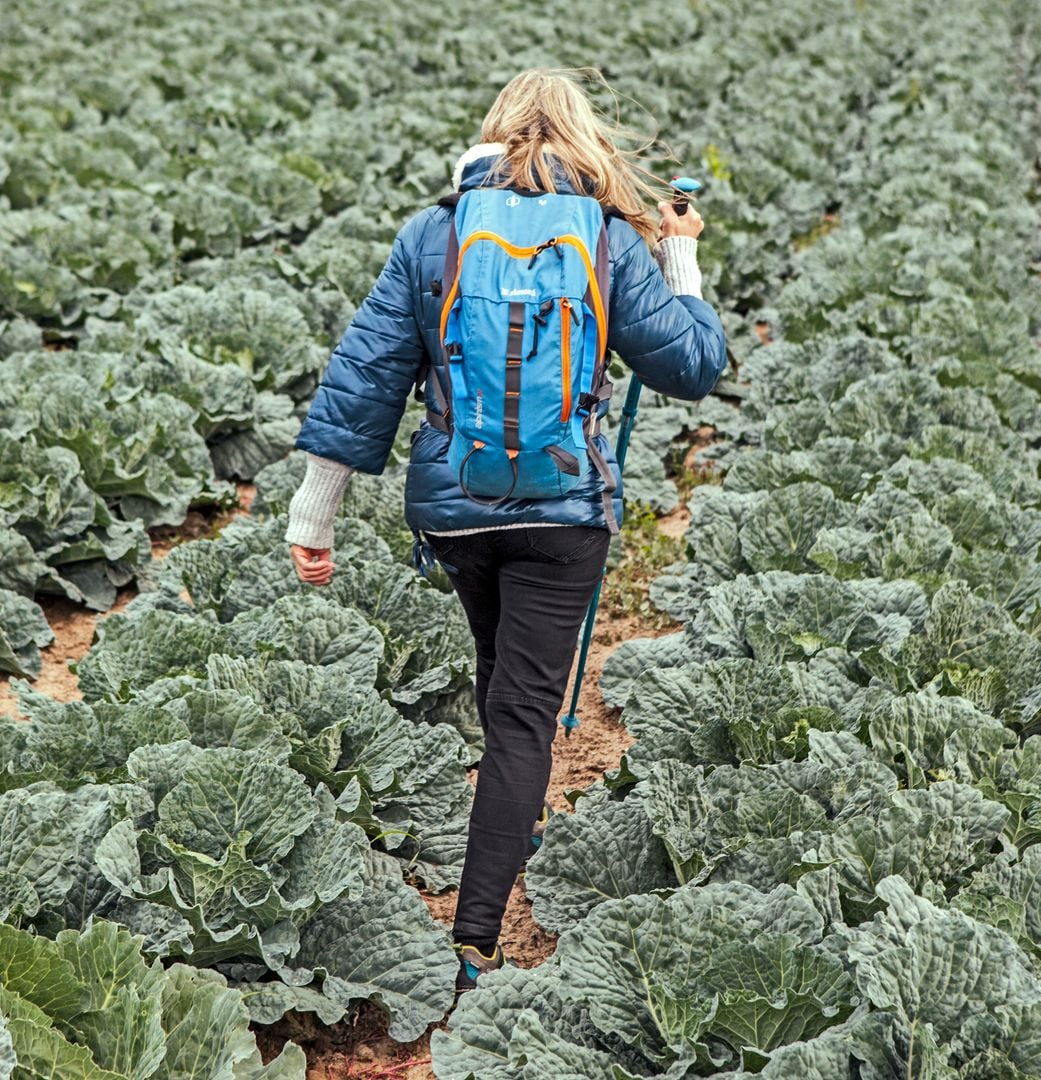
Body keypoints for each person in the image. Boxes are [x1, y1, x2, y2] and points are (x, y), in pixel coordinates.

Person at [283, 67, 726, 995]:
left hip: (458, 510)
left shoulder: (436, 233)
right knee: (525, 711)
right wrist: (681, 256)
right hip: (566, 514)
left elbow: (363, 377)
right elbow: (692, 365)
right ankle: (477, 935)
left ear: (490, 137)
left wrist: (311, 515)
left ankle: (501, 832)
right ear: (583, 142)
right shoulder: (606, 235)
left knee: (502, 684)